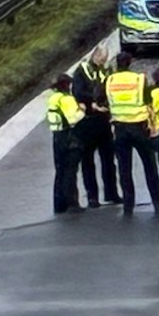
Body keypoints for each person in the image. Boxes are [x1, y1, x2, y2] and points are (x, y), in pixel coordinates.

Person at [104, 51, 159, 214]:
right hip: (139, 127)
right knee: (149, 165)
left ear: (117, 64)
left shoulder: (109, 80)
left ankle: (128, 204)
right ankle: (157, 201)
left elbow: (100, 98)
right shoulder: (139, 79)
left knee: (124, 169)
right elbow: (149, 100)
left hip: (120, 129)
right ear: (130, 63)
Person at [70, 47, 117, 208]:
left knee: (109, 160)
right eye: (102, 58)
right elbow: (78, 92)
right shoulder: (82, 71)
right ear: (95, 55)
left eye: (106, 59)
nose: (104, 61)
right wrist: (94, 102)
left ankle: (111, 193)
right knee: (88, 161)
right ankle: (92, 197)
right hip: (87, 122)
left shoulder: (107, 71)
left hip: (104, 120)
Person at [46, 76, 85, 214]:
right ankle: (72, 203)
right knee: (70, 171)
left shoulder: (53, 98)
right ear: (67, 85)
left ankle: (59, 204)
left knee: (60, 171)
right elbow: (73, 119)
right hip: (69, 138)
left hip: (57, 137)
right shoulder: (67, 99)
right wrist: (82, 110)